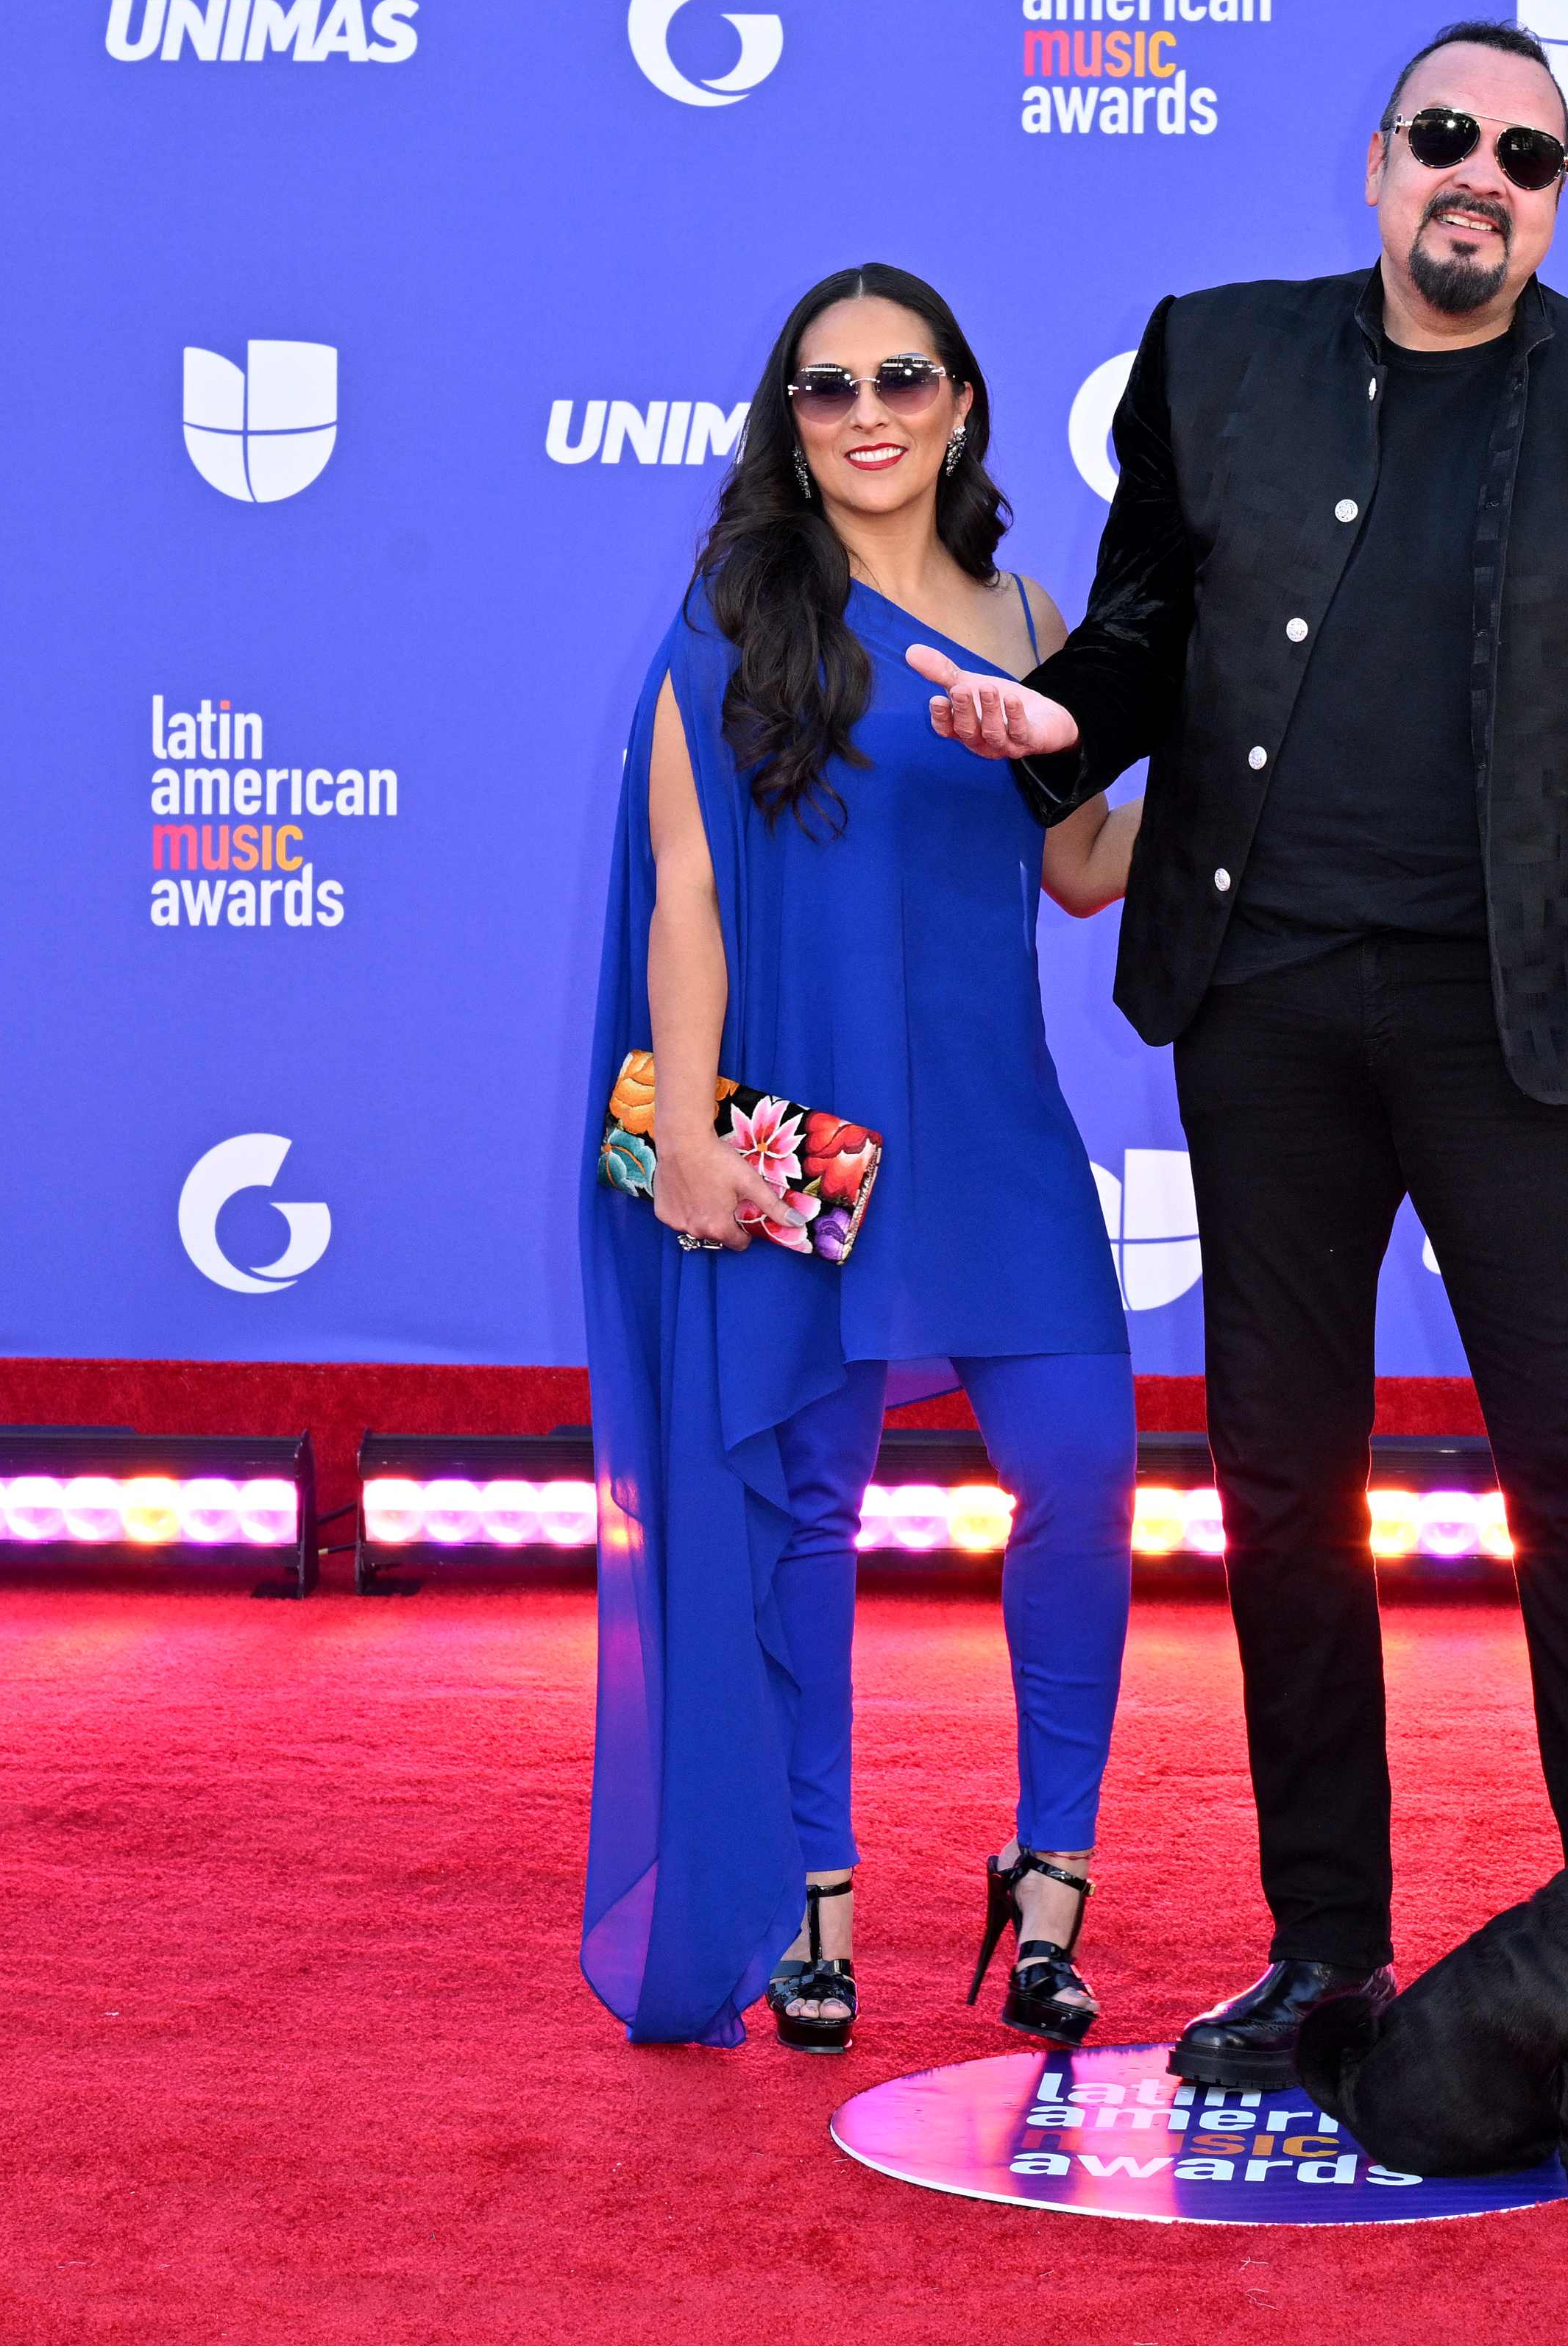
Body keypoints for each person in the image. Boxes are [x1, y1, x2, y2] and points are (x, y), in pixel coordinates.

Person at [912, 21, 1568, 2120]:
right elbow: (1140, 632)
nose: (1481, 179)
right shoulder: (1213, 357)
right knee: (1290, 1491)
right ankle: (1319, 1958)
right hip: (1267, 1006)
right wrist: (1055, 724)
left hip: (1522, 1021)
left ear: (1555, 200)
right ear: (1374, 165)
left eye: (1527, 159)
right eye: (1446, 140)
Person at [581, 263, 1145, 2056]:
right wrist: (680, 1127)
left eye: (904, 377)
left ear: (964, 401)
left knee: (1084, 1475)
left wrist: (1216, 752)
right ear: (792, 423)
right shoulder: (741, 610)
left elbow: (1080, 870)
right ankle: (813, 1899)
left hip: (999, 1135)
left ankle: (1047, 1885)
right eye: (827, 389)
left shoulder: (1027, 608)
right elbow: (682, 885)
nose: (869, 410)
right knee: (806, 1516)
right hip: (810, 1142)